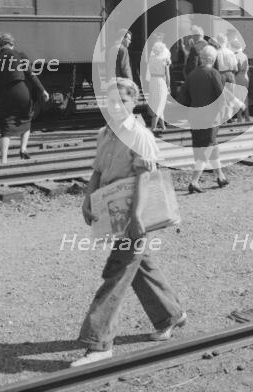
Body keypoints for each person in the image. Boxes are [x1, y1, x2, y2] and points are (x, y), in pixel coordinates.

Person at [73, 77, 185, 367]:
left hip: (135, 212)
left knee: (118, 272)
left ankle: (99, 343)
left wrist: (136, 217)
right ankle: (171, 314)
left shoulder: (139, 134)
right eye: (110, 101)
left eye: (122, 100)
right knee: (139, 265)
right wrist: (87, 199)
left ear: (134, 101)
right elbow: (98, 171)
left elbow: (144, 177)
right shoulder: (106, 133)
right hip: (114, 211)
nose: (116, 106)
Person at [0, 33, 49, 164]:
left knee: (7, 126)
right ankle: (23, 149)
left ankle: (3, 161)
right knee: (26, 119)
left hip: (6, 93)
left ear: (0, 45)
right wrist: (42, 90)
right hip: (22, 91)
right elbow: (32, 75)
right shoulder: (20, 55)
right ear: (12, 44)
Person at [179, 45, 229, 193]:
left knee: (211, 146)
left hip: (195, 118)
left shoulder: (192, 74)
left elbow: (183, 98)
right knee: (207, 148)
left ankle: (221, 177)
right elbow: (221, 97)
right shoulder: (213, 73)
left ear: (201, 59)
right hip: (210, 118)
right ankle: (194, 181)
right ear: (213, 59)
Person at [147, 41, 171, 131]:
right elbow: (167, 74)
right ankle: (153, 126)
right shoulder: (164, 60)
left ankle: (163, 126)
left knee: (156, 103)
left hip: (152, 81)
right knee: (160, 104)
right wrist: (168, 85)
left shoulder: (151, 58)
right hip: (161, 81)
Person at [215, 33, 238, 121]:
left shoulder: (216, 52)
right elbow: (236, 68)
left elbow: (215, 67)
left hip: (220, 75)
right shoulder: (231, 52)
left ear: (218, 42)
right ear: (225, 41)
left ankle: (223, 117)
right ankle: (230, 117)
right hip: (230, 74)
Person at [231, 38, 249, 121]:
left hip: (237, 77)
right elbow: (247, 67)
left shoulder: (234, 56)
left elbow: (236, 68)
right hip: (245, 77)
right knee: (245, 98)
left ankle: (239, 118)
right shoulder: (244, 55)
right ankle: (247, 117)